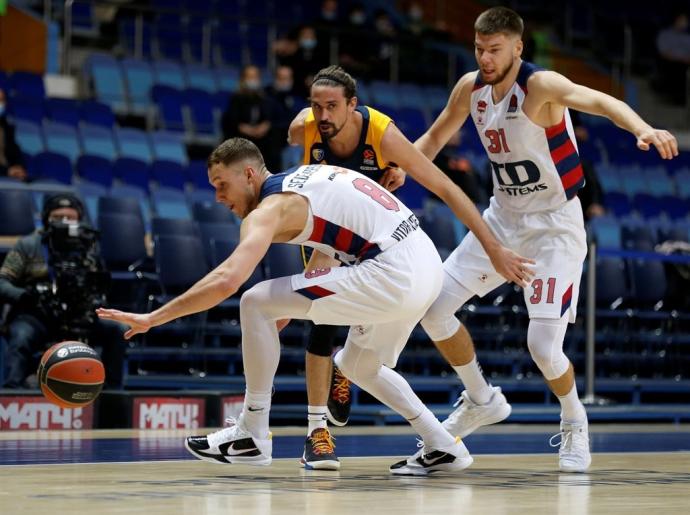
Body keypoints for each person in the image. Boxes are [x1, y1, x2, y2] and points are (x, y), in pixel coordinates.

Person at [97, 137, 532, 475]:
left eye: (221, 185)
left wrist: (155, 317)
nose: (218, 198)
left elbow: (229, 279)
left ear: (249, 174)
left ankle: (251, 433)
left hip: (392, 272)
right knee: (359, 366)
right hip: (422, 262)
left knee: (253, 300)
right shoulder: (308, 176)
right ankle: (443, 446)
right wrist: (290, 305)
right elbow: (328, 255)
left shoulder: (269, 209)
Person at [393, 6, 678, 474]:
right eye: (480, 49)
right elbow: (436, 135)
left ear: (517, 47)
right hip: (502, 220)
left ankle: (574, 419)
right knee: (431, 308)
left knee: (543, 347)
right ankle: (481, 398)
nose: (485, 58)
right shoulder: (470, 88)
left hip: (555, 228)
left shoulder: (541, 86)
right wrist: (404, 167)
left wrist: (643, 128)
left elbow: (604, 102)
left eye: (495, 50)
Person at [0, 193, 127, 388]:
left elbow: (99, 282)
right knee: (21, 336)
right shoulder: (28, 245)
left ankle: (111, 393)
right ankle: (12, 394)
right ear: (46, 219)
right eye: (58, 217)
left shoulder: (88, 246)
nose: (64, 222)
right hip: (37, 312)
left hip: (78, 313)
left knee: (118, 329)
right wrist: (25, 295)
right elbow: (3, 281)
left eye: (70, 217)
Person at [221, 65, 279, 170]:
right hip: (240, 144)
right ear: (243, 79)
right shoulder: (236, 99)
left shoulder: (265, 99)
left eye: (256, 77)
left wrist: (265, 126)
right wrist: (245, 129)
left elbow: (272, 118)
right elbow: (230, 122)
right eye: (250, 77)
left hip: (263, 146)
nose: (253, 80)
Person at [0, 88, 28, 181]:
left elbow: (15, 151)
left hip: (10, 175)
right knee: (16, 194)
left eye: (2, 100)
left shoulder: (6, 126)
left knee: (53, 187)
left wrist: (19, 167)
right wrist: (6, 171)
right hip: (4, 175)